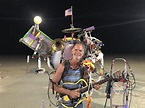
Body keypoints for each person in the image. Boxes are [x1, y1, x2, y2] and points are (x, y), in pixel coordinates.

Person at [50, 42, 100, 108]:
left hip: (78, 103)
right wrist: (69, 92)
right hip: (64, 104)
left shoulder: (83, 67)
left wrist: (94, 85)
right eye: (76, 50)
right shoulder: (63, 66)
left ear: (83, 53)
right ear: (72, 51)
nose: (78, 52)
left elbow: (86, 83)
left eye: (80, 50)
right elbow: (52, 85)